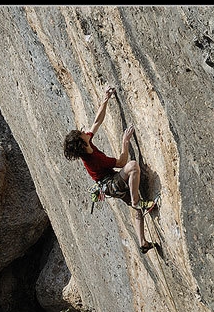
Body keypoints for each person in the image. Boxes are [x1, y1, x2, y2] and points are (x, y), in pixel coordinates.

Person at [63, 86, 157, 254]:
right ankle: (137, 202)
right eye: (81, 134)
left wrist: (105, 99)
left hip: (109, 184)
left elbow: (97, 122)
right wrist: (125, 142)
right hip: (110, 184)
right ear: (83, 144)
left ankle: (142, 242)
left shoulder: (87, 144)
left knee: (136, 208)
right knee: (133, 166)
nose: (84, 132)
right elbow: (122, 163)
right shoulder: (93, 159)